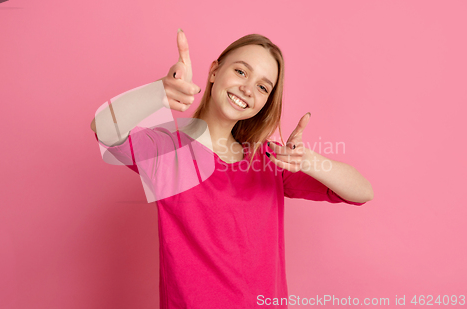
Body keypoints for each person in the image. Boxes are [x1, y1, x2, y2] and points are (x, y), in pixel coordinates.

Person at [90, 29, 374, 309]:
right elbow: (103, 128)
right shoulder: (168, 152)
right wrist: (157, 92)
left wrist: (310, 161)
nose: (248, 89)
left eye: (263, 87)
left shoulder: (270, 160)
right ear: (214, 70)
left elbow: (362, 191)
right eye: (241, 72)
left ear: (265, 102)